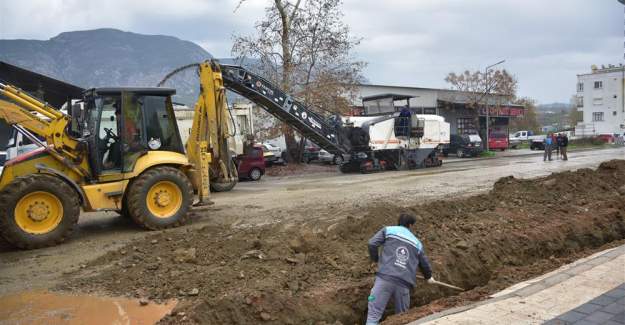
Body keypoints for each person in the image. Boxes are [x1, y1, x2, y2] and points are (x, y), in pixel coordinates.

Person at [366, 213, 433, 325]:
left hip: (384, 278)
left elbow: (372, 243)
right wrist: (429, 276)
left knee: (373, 315)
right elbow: (424, 264)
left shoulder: (388, 230)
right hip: (403, 283)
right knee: (402, 318)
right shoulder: (417, 243)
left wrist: (376, 259)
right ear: (411, 225)